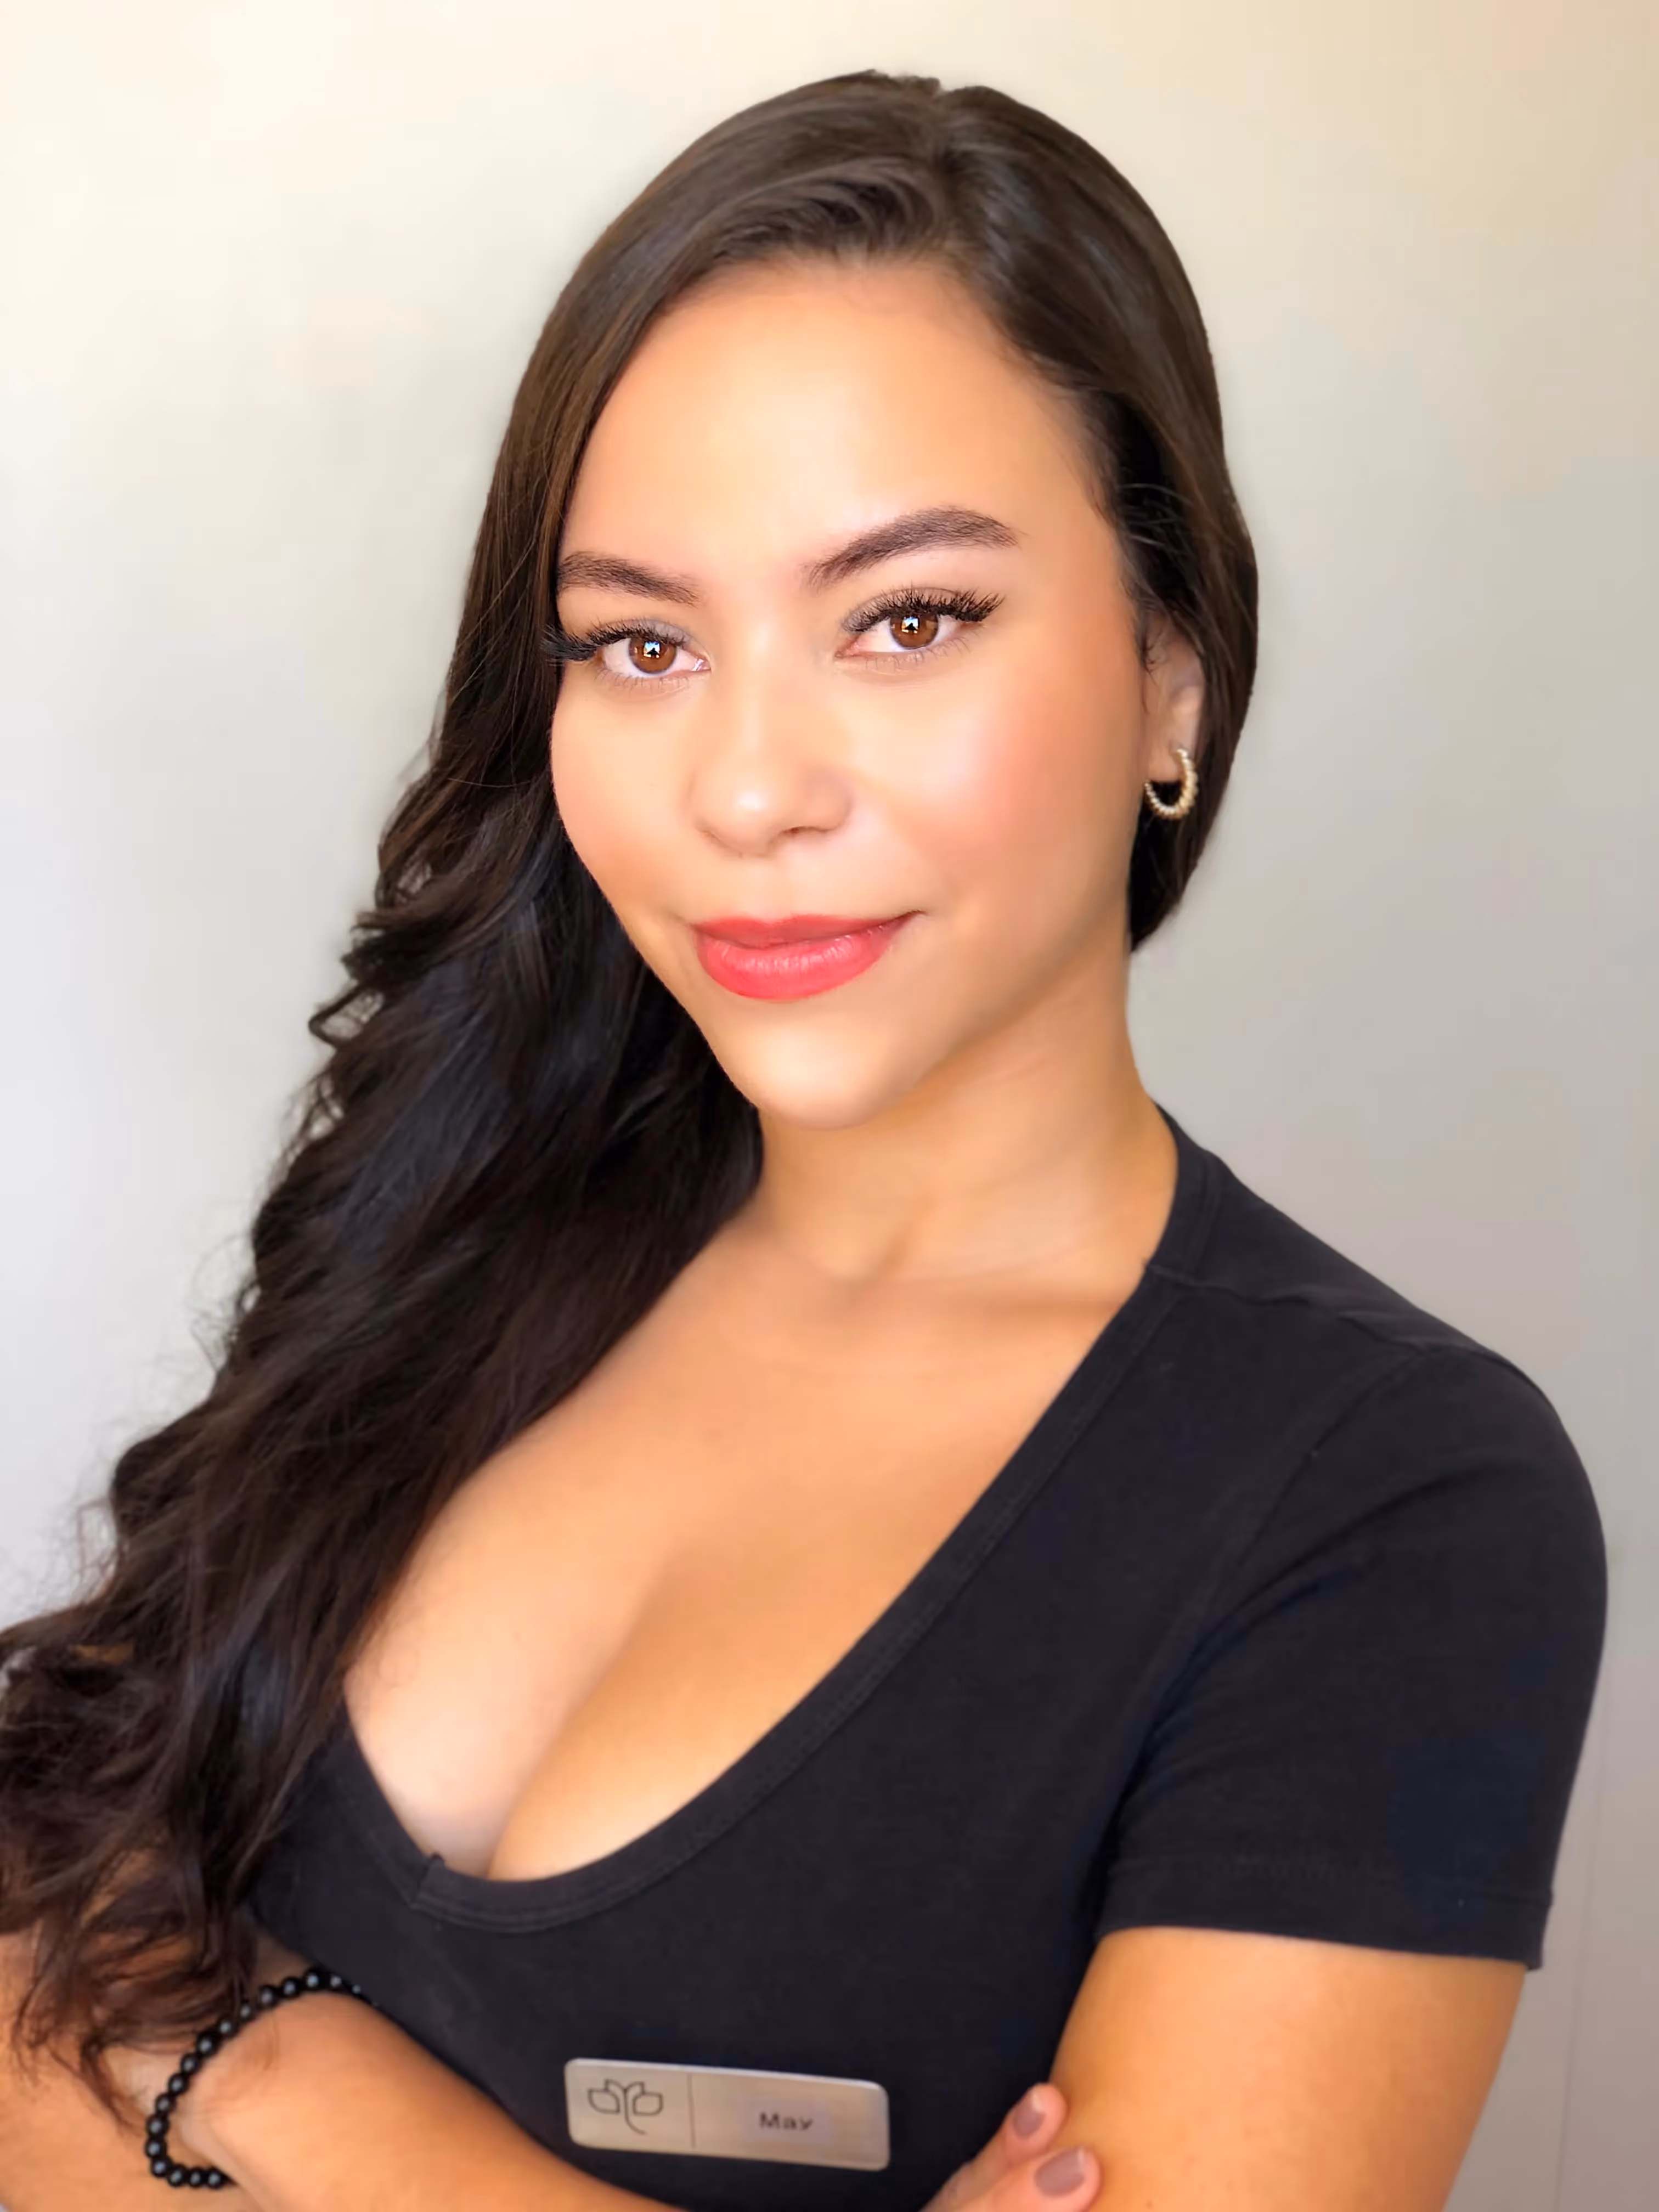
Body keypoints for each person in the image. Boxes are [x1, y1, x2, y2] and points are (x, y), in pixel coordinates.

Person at [0, 65, 1607, 2212]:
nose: (749, 789)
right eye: (642, 643)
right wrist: (248, 2065)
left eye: (906, 619)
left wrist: (248, 2067)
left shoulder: (1387, 1495)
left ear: (1174, 669)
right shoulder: (454, 1242)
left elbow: (83, 2007)